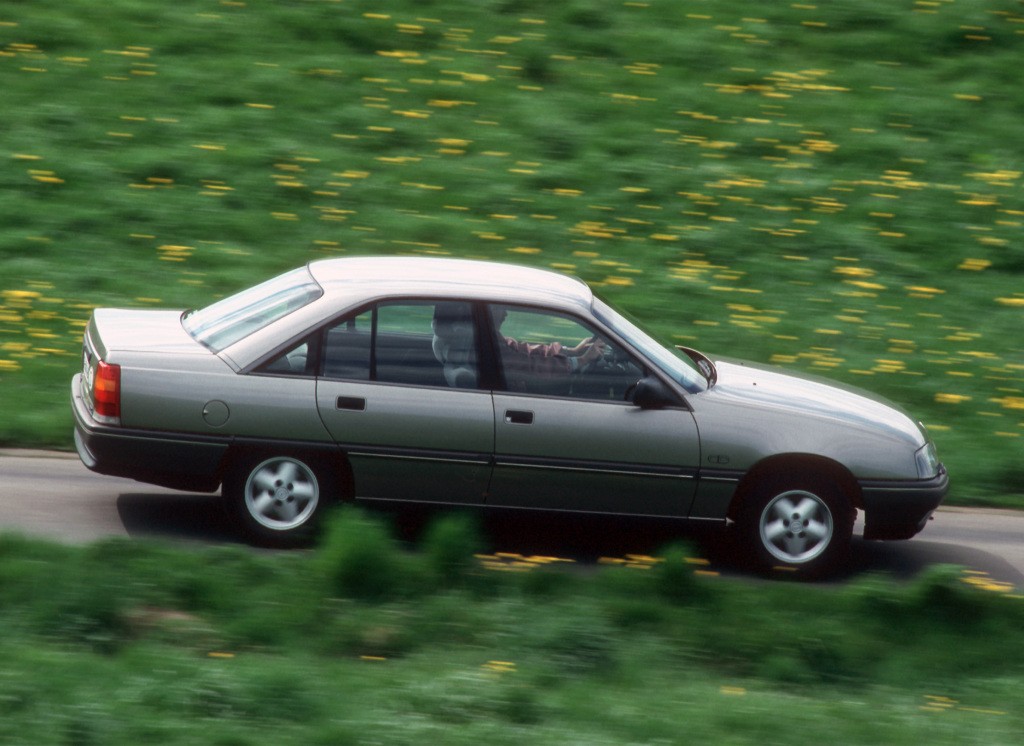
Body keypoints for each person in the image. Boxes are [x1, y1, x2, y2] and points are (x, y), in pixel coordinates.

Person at [492, 307, 605, 391]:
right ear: (490, 311)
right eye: (500, 308)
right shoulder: (490, 344)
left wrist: (572, 351)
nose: (505, 314)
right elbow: (529, 365)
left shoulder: (491, 338)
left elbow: (524, 350)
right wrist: (581, 360)